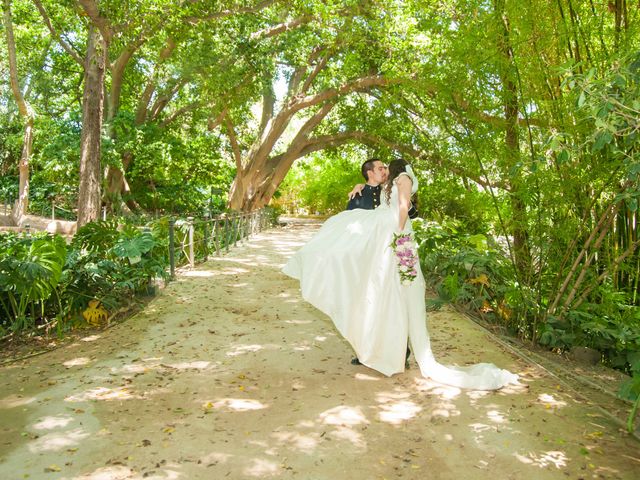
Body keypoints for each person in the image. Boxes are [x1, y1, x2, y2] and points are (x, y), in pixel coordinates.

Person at [283, 159, 518, 390]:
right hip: (375, 251)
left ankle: (398, 351)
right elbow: (356, 223)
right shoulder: (364, 191)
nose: (384, 170)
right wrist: (361, 190)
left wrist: (398, 232)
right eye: (379, 168)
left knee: (395, 295)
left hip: (394, 244)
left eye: (386, 167)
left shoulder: (398, 183)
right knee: (371, 296)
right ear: (370, 173)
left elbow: (406, 209)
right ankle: (370, 349)